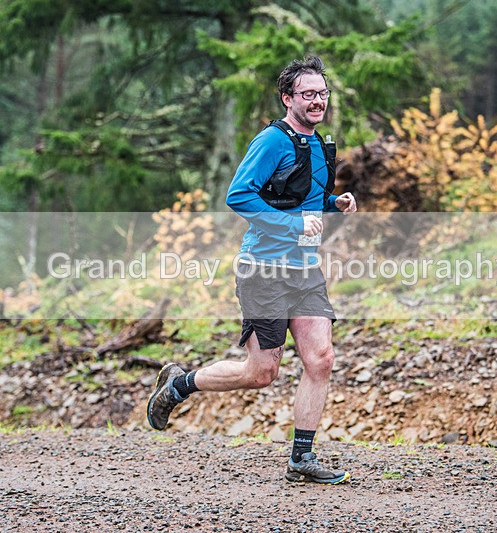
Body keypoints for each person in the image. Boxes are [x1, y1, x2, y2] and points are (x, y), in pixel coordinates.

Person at [147, 55, 357, 485]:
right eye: (308, 94)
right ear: (287, 98)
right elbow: (239, 196)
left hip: (304, 268)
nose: (317, 101)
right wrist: (295, 223)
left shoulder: (318, 144)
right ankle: (180, 385)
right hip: (263, 268)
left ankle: (302, 457)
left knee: (321, 358)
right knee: (261, 372)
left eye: (322, 93)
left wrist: (332, 204)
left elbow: (298, 199)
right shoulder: (271, 141)